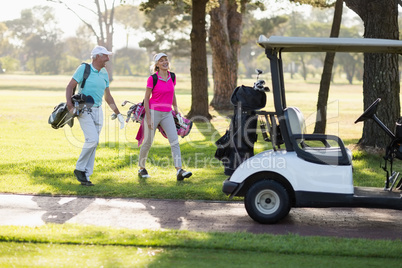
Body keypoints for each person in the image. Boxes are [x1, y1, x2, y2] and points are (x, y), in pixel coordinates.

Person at [65, 45, 125, 186]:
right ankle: (80, 169)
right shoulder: (83, 69)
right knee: (92, 140)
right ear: (97, 56)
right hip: (84, 109)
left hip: (98, 111)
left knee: (93, 143)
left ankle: (86, 175)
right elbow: (69, 86)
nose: (108, 59)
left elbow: (108, 96)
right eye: (105, 56)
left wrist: (118, 113)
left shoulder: (104, 73)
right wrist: (69, 105)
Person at [138, 52, 192, 181]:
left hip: (167, 114)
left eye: (166, 60)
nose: (164, 62)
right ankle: (141, 168)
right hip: (153, 112)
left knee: (174, 141)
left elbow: (172, 94)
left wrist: (176, 110)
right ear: (157, 64)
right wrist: (149, 118)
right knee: (148, 143)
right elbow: (146, 98)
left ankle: (179, 170)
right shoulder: (153, 79)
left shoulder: (172, 76)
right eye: (161, 61)